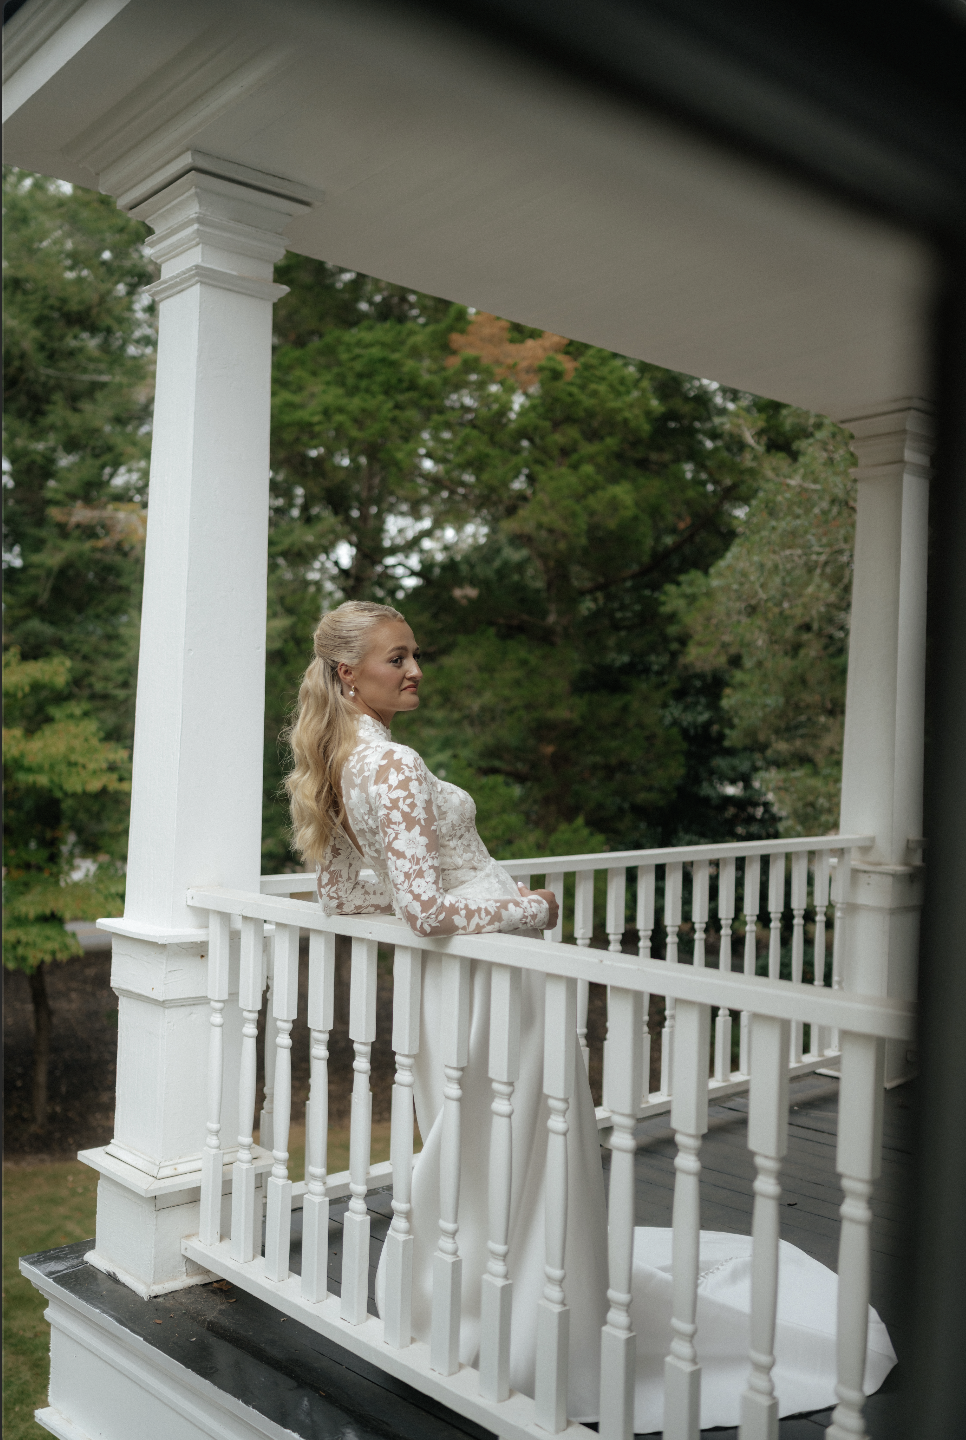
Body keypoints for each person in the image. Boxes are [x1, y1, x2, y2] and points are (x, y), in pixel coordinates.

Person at [286, 599, 896, 1431]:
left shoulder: (342, 760)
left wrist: (452, 916)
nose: (416, 669)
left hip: (454, 985)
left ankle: (475, 1308)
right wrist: (527, 910)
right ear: (350, 672)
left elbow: (345, 895)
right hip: (494, 972)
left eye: (415, 654)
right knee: (519, 1139)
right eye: (398, 658)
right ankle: (522, 1325)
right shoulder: (389, 765)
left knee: (483, 1142)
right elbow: (426, 909)